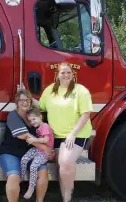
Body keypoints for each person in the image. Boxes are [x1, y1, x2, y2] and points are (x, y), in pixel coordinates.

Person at [38, 62, 93, 202]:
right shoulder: (50, 90)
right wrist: (24, 95)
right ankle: (65, 197)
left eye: (69, 72)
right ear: (57, 75)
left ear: (73, 75)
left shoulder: (81, 90)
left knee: (66, 162)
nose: (66, 75)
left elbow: (86, 114)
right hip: (55, 134)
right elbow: (41, 106)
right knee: (62, 167)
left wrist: (73, 134)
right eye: (63, 72)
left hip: (76, 134)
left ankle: (68, 197)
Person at [0, 89, 52, 202]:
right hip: (10, 152)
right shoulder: (13, 115)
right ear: (16, 102)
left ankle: (39, 200)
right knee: (14, 176)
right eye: (21, 100)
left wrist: (49, 150)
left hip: (30, 152)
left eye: (27, 100)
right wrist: (45, 149)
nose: (25, 102)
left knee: (43, 172)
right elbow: (24, 136)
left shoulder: (33, 116)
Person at [20, 108, 54, 199]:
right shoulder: (38, 127)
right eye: (30, 120)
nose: (32, 122)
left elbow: (46, 140)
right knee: (24, 159)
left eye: (34, 119)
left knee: (33, 166)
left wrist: (34, 140)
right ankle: (21, 179)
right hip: (38, 149)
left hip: (45, 152)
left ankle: (31, 188)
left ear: (40, 117)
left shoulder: (45, 126)